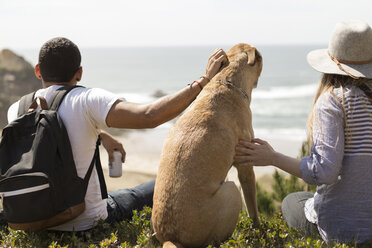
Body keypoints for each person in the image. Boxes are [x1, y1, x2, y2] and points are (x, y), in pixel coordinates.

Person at [4, 37, 227, 231]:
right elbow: (150, 115)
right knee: (156, 186)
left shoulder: (17, 109)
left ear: (38, 70)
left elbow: (53, 136)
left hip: (32, 218)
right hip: (86, 222)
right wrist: (203, 81)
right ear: (79, 73)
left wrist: (102, 136)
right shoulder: (87, 100)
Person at [234, 20, 372, 244]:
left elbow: (324, 172)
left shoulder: (333, 101)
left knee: (293, 201)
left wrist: (273, 158)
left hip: (344, 232)